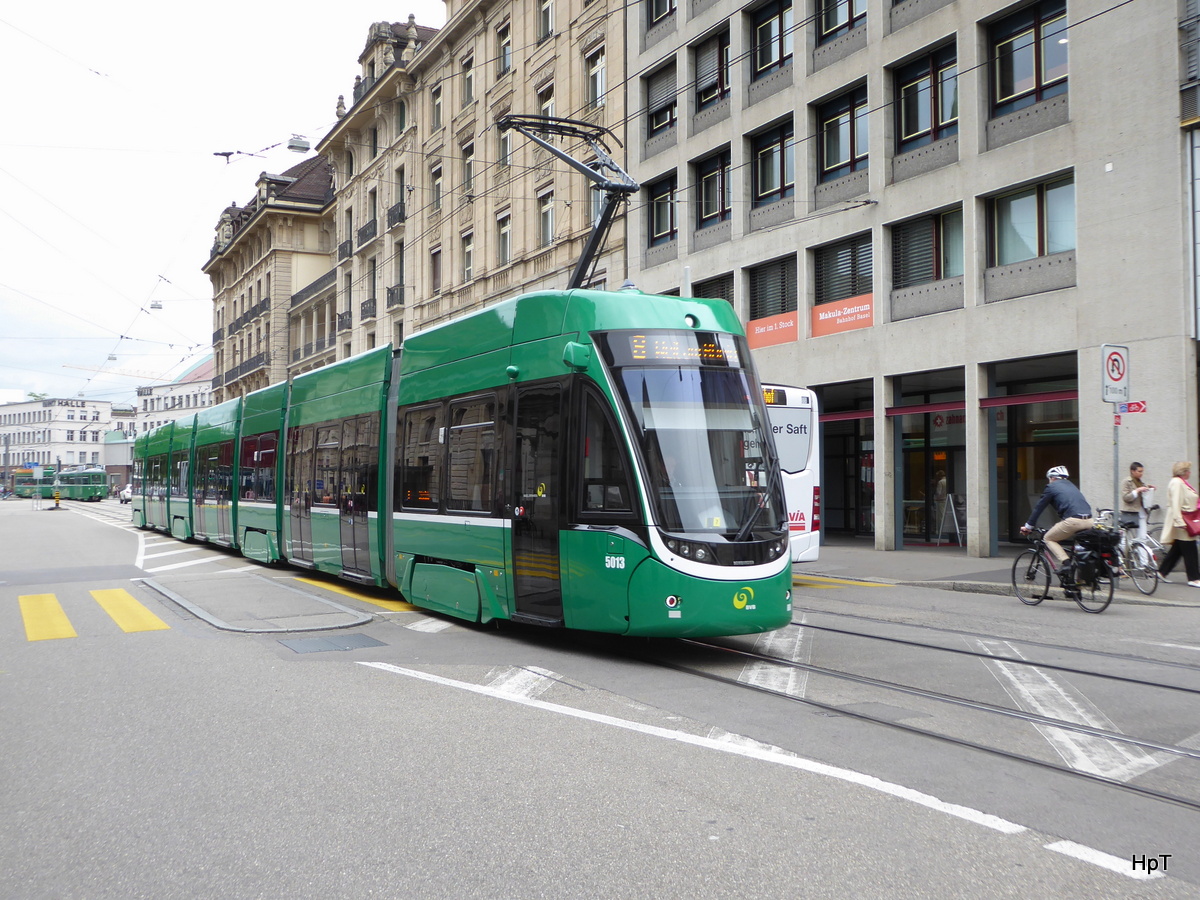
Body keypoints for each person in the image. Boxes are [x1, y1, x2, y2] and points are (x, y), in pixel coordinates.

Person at [1020, 466, 1094, 583]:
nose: (1049, 481)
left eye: (1049, 479)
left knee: (1048, 538)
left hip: (1074, 521)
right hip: (1089, 521)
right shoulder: (1072, 486)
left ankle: (1066, 563)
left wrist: (1028, 526)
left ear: (1053, 478)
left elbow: (1039, 508)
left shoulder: (1051, 487)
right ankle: (1079, 583)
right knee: (1079, 551)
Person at [1157, 460, 1200, 586]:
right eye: (1188, 470)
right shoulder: (1177, 483)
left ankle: (1162, 572)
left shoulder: (1181, 483)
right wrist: (1179, 521)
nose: (1190, 472)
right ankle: (1194, 578)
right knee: (1190, 550)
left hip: (1185, 519)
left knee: (1178, 550)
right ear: (1184, 472)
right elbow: (1175, 503)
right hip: (1184, 521)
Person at [1119, 461, 1154, 540]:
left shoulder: (1140, 482)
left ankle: (1141, 552)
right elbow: (1126, 497)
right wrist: (1137, 490)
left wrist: (1149, 488)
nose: (1141, 473)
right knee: (1127, 538)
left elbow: (1143, 494)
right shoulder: (1127, 482)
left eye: (1142, 471)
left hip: (1141, 513)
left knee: (1142, 537)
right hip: (1131, 513)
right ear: (1132, 471)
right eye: (1139, 471)